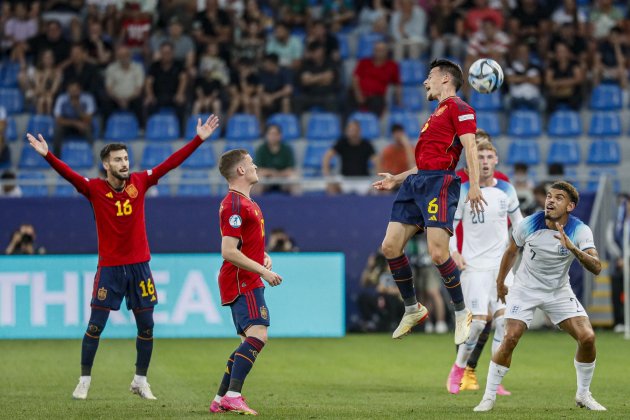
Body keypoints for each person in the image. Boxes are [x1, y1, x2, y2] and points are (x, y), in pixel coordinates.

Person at [25, 115, 220, 401]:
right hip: (110, 269)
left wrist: (198, 139)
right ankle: (84, 380)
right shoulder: (94, 189)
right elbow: (69, 174)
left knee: (147, 326)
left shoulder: (139, 182)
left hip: (140, 266)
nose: (124, 163)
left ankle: (140, 380)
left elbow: (170, 164)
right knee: (95, 326)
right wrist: (48, 156)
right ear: (107, 165)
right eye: (118, 160)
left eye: (126, 158)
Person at [373, 59, 485, 345]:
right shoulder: (436, 114)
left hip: (440, 184)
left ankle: (461, 312)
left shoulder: (461, 108)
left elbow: (470, 146)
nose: (425, 82)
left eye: (430, 77)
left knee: (437, 253)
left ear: (446, 79)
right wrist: (396, 179)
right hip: (416, 183)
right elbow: (424, 165)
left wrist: (475, 184)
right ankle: (413, 308)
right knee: (389, 247)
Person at [474, 181, 606, 412]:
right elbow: (511, 251)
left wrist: (573, 248)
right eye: (549, 196)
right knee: (511, 337)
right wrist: (500, 283)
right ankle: (488, 397)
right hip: (525, 289)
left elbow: (597, 267)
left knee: (587, 338)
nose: (551, 201)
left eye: (558, 198)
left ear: (570, 206)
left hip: (558, 291)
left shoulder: (580, 230)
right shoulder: (529, 224)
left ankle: (583, 394)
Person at [209, 149, 283, 415]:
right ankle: (233, 395)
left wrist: (262, 255)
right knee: (259, 335)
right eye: (251, 163)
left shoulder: (247, 203)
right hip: (243, 281)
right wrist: (262, 272)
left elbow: (243, 244)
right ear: (240, 170)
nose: (255, 166)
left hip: (245, 277)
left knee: (247, 341)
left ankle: (220, 400)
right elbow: (228, 250)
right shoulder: (234, 205)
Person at [447, 141, 523, 395]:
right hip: (474, 267)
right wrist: (454, 252)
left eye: (489, 156)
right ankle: (459, 368)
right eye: (480, 157)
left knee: (505, 325)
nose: (485, 161)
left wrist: (525, 248)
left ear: (496, 160)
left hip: (501, 268)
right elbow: (450, 226)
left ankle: (495, 378)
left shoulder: (507, 190)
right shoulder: (464, 190)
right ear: (472, 162)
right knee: (478, 324)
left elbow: (519, 225)